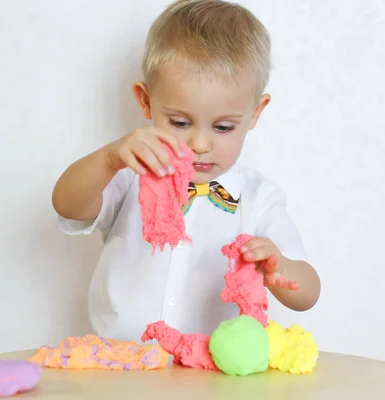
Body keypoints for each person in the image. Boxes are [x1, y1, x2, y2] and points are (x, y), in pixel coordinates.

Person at [52, 0, 321, 341]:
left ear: (255, 113)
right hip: (123, 362)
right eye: (180, 122)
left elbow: (308, 294)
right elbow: (67, 205)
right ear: (146, 101)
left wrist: (279, 266)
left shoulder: (258, 198)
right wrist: (108, 159)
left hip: (214, 374)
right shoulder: (131, 172)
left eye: (223, 127)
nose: (200, 144)